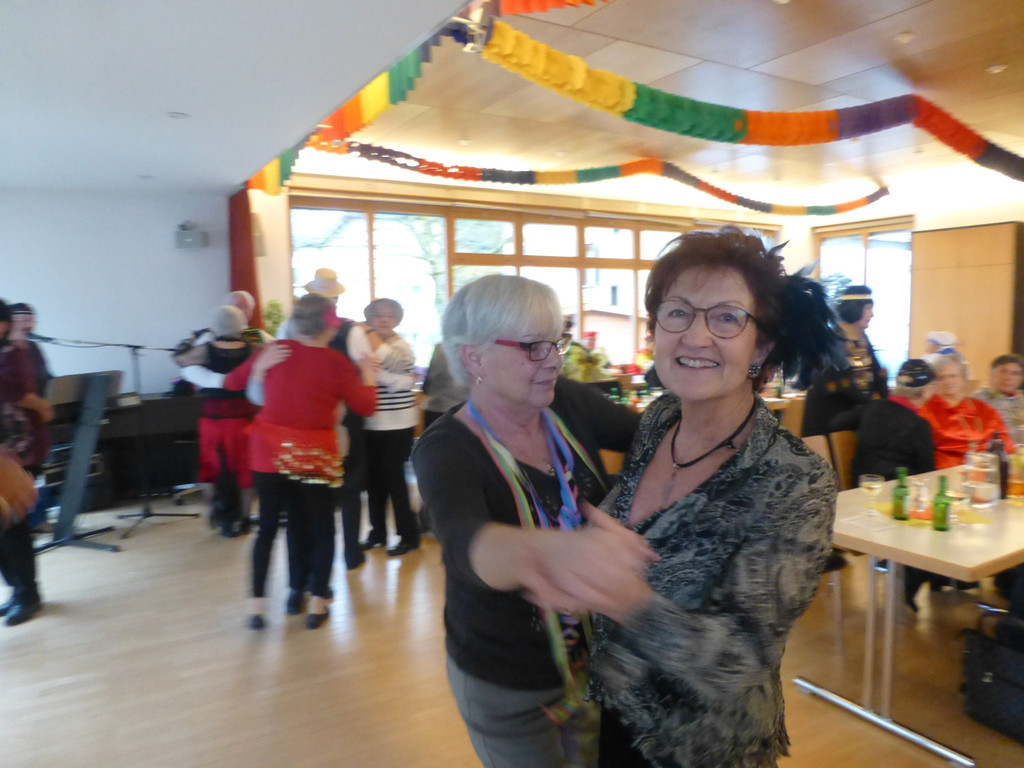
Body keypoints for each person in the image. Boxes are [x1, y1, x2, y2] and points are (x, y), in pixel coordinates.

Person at [588, 228, 839, 768]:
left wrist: (623, 597)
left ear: (761, 347)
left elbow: (740, 661)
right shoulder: (659, 420)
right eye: (678, 313)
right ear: (655, 329)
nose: (695, 336)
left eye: (726, 318)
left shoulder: (796, 479)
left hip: (706, 748)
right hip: (614, 715)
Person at [412, 274, 647, 768]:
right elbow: (468, 544)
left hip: (593, 662)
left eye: (557, 341)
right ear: (475, 358)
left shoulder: (568, 402)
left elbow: (655, 440)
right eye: (532, 346)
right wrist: (543, 551)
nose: (554, 359)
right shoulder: (443, 449)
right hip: (507, 682)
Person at [224, 294, 378, 630]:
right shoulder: (337, 362)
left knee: (268, 529)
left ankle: (258, 608)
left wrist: (259, 369)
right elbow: (366, 406)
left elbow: (231, 382)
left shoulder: (274, 351)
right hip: (314, 456)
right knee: (322, 527)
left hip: (269, 455)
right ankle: (317, 603)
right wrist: (368, 373)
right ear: (330, 328)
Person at [174, 305, 259, 537]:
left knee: (211, 468)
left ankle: (220, 517)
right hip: (243, 418)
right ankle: (244, 519)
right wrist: (250, 333)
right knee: (245, 468)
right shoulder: (252, 349)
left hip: (212, 419)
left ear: (215, 327)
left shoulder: (206, 350)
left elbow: (179, 357)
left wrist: (193, 337)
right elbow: (267, 349)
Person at [0, 298, 53, 626]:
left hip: (17, 448)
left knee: (13, 526)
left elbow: (22, 393)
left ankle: (28, 595)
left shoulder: (15, 351)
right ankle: (17, 590)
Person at [359, 298, 421, 557]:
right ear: (370, 318)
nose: (384, 320)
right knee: (373, 482)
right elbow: (394, 380)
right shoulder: (366, 344)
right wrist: (400, 380)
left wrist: (374, 372)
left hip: (398, 424)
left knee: (395, 481)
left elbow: (390, 370)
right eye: (378, 315)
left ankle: (409, 536)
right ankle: (377, 533)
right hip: (371, 422)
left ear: (397, 320)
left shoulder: (402, 347)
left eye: (389, 316)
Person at [801, 284, 887, 436]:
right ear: (855, 308)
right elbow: (839, 385)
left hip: (855, 418)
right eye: (868, 308)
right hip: (829, 420)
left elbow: (877, 376)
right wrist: (872, 403)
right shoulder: (831, 341)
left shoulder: (863, 340)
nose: (872, 314)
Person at [919, 355, 1012, 470]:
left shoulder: (983, 408)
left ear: (963, 379)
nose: (948, 381)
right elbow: (921, 451)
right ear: (935, 383)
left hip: (985, 469)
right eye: (942, 377)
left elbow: (1004, 441)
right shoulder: (927, 411)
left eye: (953, 376)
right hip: (947, 471)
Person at [852, 359, 936, 480]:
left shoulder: (873, 406)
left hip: (862, 483)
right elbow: (927, 472)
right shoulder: (919, 425)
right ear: (926, 391)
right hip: (898, 487)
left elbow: (836, 423)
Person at [973, 353, 1024, 444]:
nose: (1008, 377)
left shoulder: (1021, 400)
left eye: (1015, 373)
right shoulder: (978, 400)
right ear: (992, 373)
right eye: (1003, 371)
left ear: (1021, 379)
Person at [422, 342, 469, 431]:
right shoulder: (474, 349)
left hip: (435, 408)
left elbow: (427, 383)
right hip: (461, 412)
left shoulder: (439, 347)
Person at [8, 304, 52, 397]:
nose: (29, 325)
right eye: (25, 320)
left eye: (32, 321)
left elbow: (45, 376)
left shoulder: (33, 347)